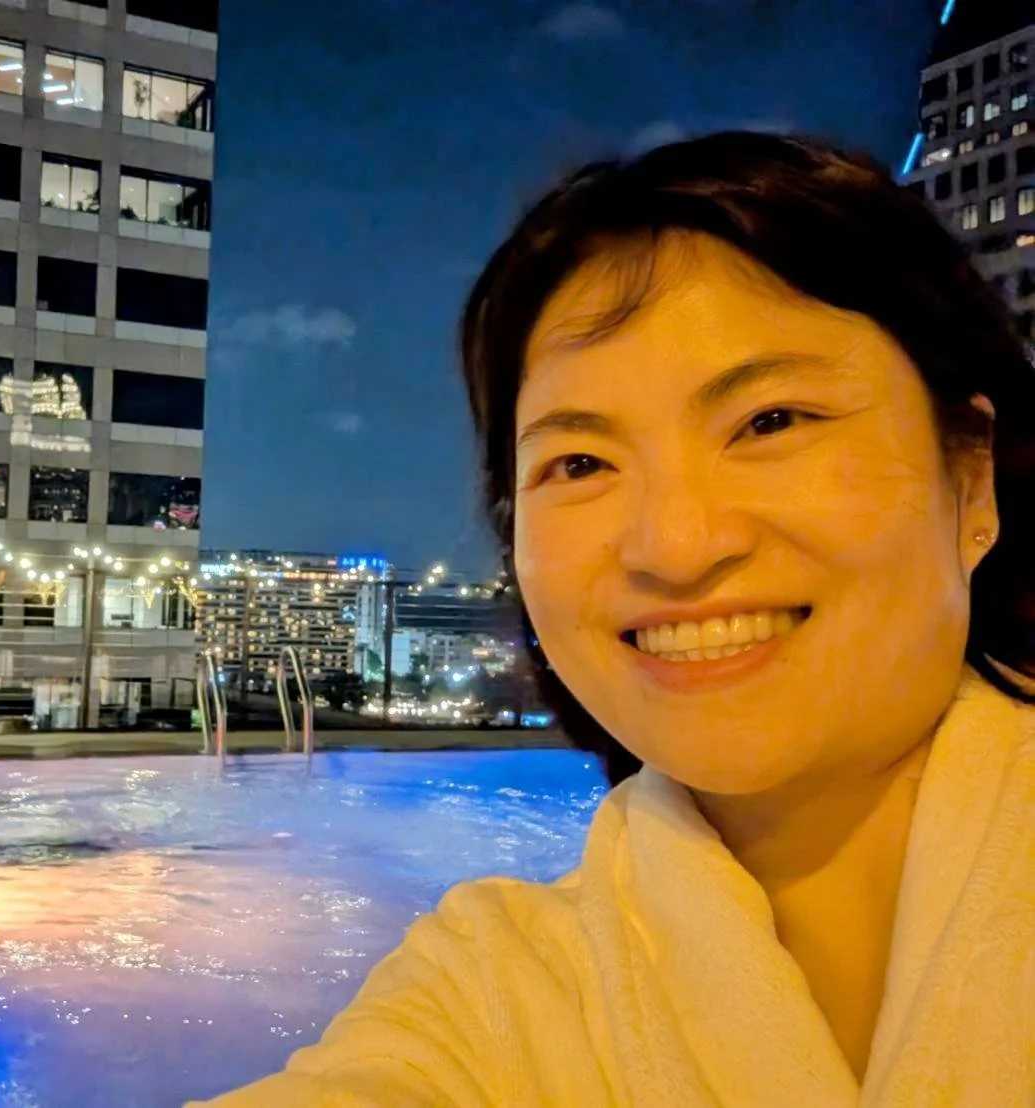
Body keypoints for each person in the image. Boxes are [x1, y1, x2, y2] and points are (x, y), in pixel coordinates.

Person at [196, 132, 1035, 1106]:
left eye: (769, 421)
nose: (673, 546)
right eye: (580, 464)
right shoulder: (491, 999)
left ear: (971, 478)